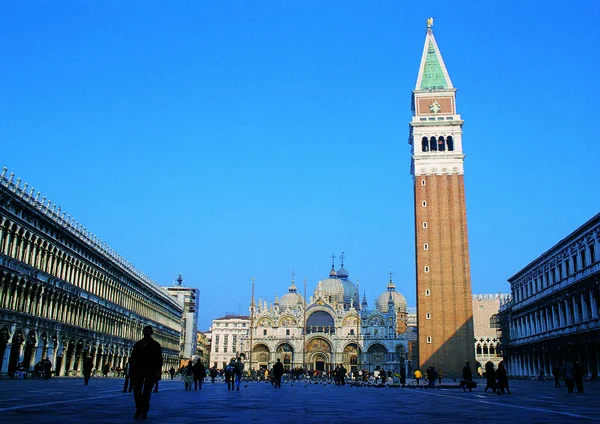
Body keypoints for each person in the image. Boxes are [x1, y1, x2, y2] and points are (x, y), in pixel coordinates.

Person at [130, 325, 163, 420]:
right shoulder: (138, 344)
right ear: (143, 332)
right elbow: (133, 358)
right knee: (137, 391)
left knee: (147, 392)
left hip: (150, 371)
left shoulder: (155, 345)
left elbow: (159, 359)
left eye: (149, 332)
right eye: (145, 332)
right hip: (138, 371)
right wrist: (132, 370)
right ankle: (139, 407)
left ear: (151, 333)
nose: (147, 333)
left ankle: (143, 410)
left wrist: (157, 372)